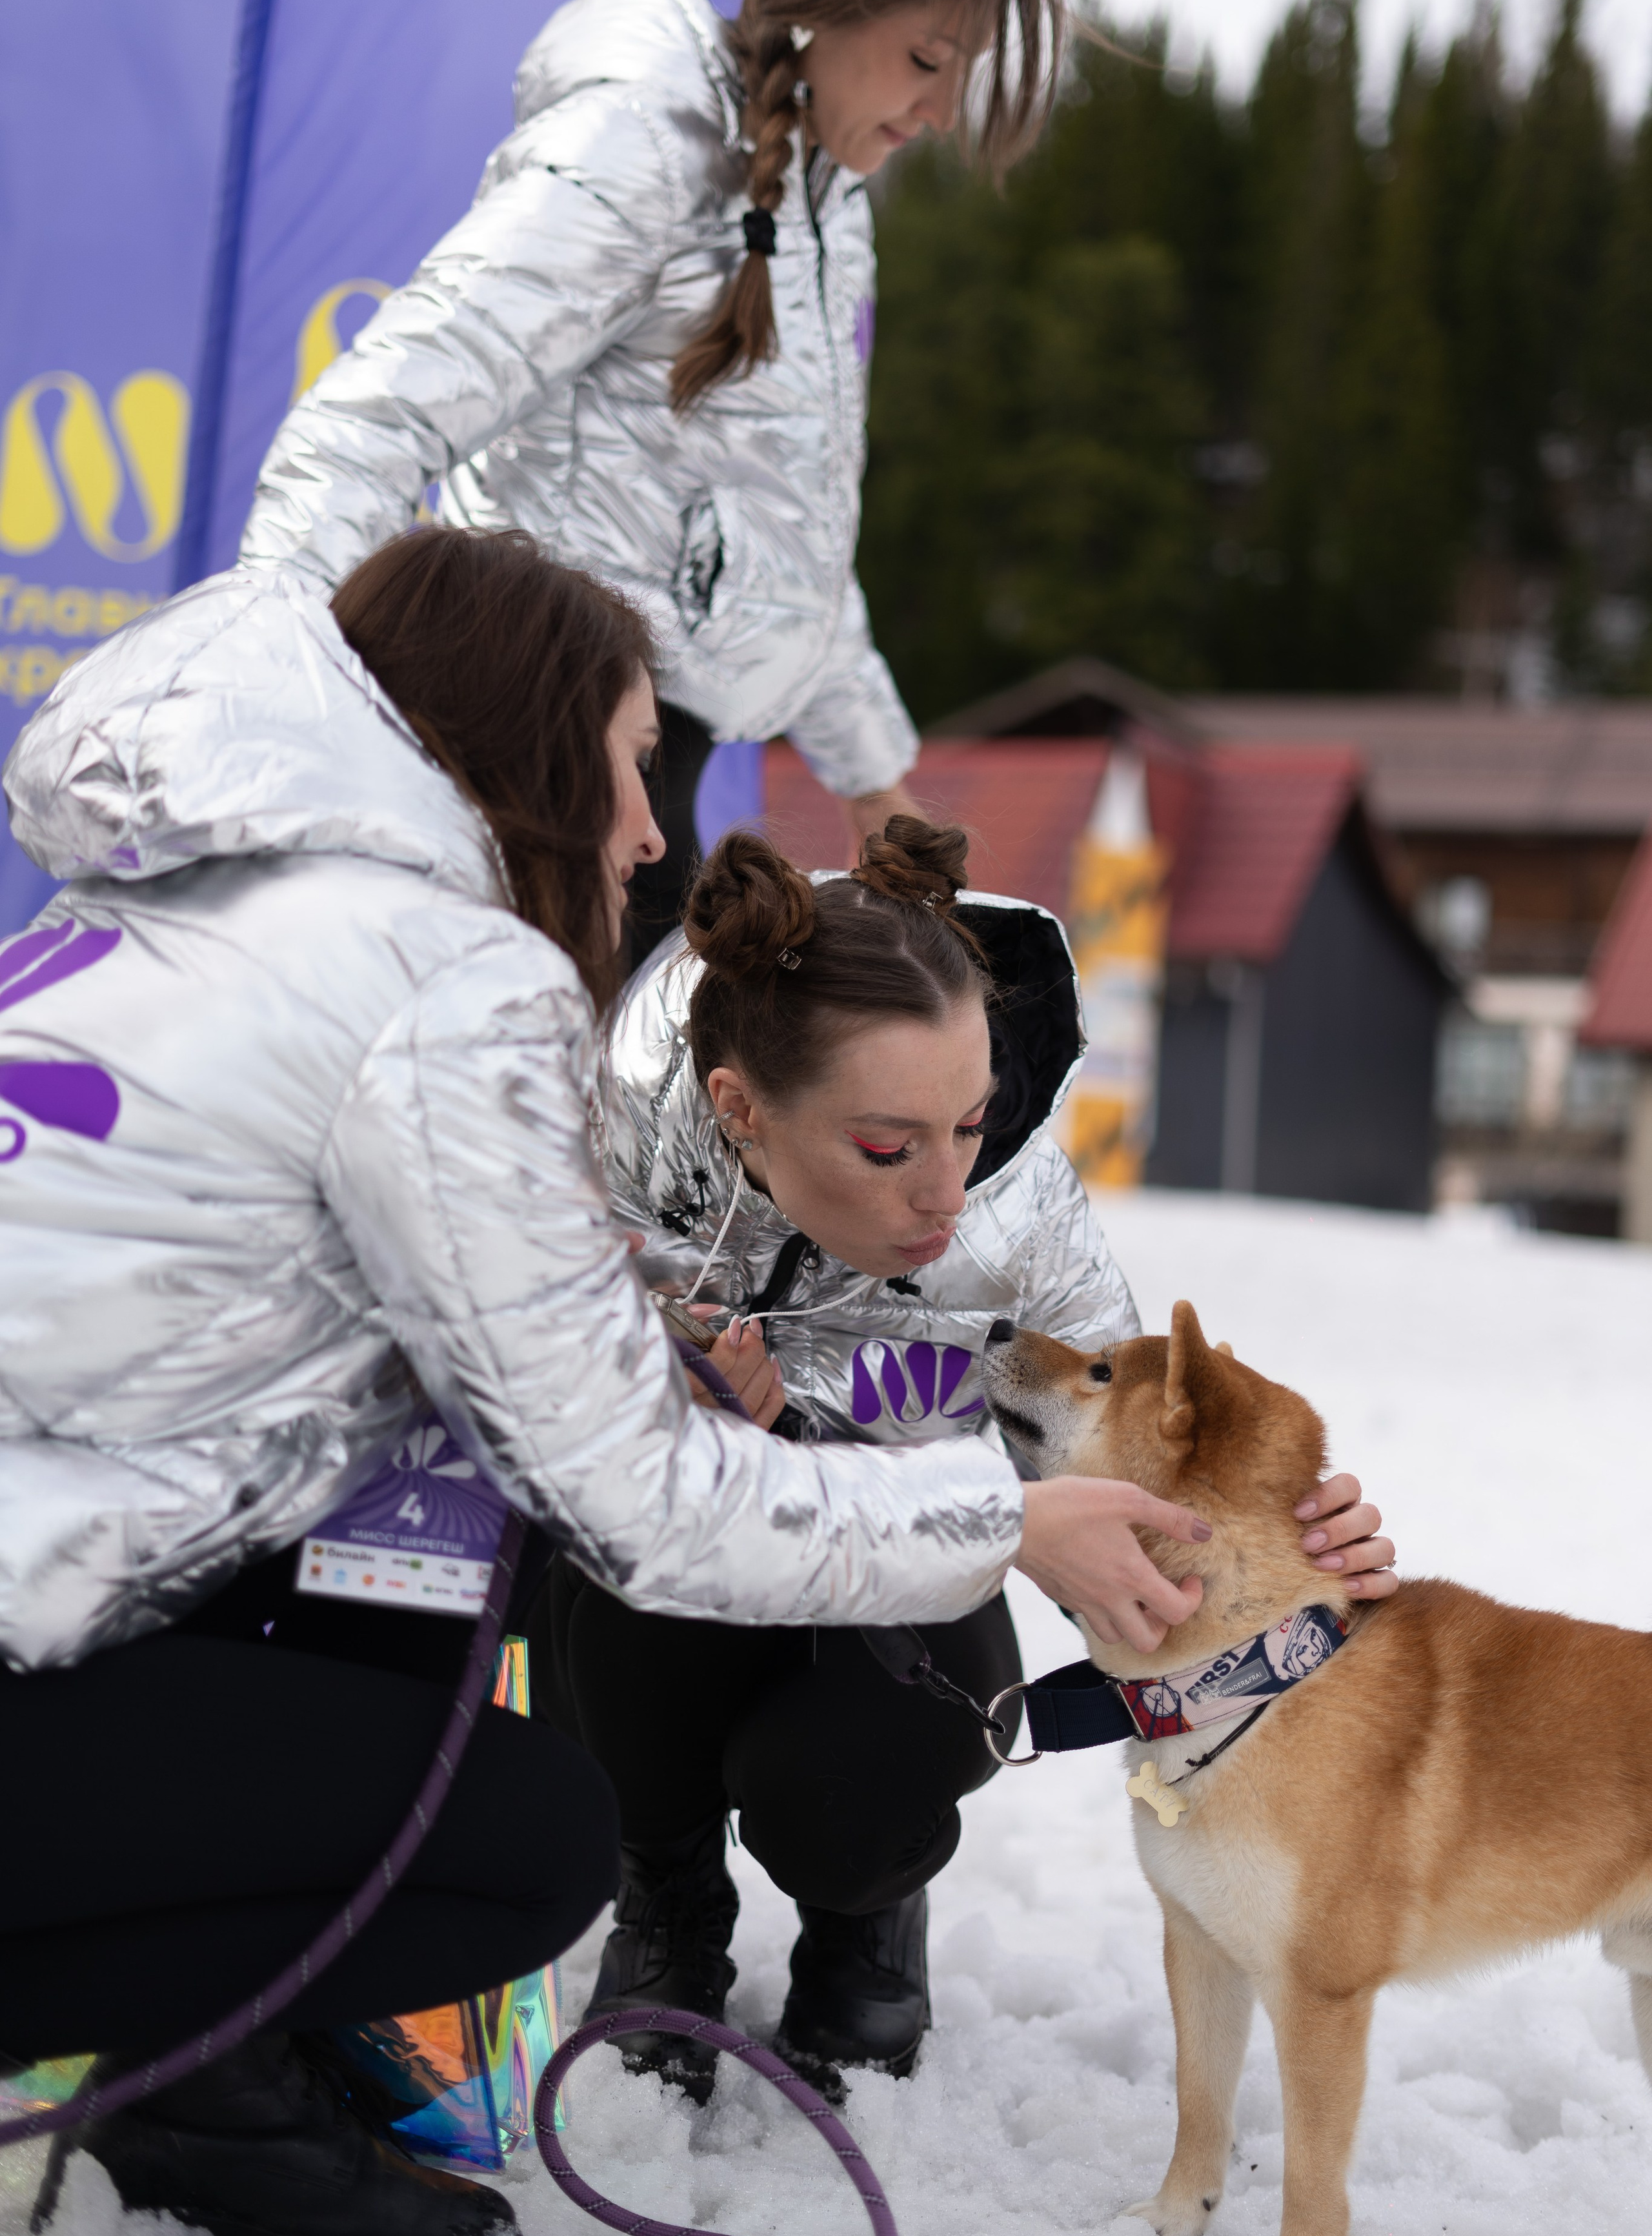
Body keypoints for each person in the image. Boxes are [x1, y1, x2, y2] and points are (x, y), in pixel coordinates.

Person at [0, 527, 1224, 2236]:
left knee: (448, 1526)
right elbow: (628, 1498)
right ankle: (198, 2070)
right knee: (518, 1836)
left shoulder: (170, 915)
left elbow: (1170, 1425)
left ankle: (225, 2056)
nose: (653, 830)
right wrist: (998, 1516)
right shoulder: (451, 977)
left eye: (970, 1131)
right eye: (635, 762)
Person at [570, 824, 1398, 2095]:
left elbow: (1140, 1477)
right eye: (890, 1149)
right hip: (674, 1584)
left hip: (907, 1591)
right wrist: (674, 1407)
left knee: (870, 1776)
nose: (947, 1190)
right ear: (739, 1109)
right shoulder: (610, 1149)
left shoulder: (1014, 1208)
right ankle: (665, 1897)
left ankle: (867, 1906)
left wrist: (1283, 1563)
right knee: (615, 1591)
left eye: (969, 1121)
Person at [236, 0, 1065, 957]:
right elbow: (369, 420)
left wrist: (875, 782)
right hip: (550, 775)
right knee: (523, 1119)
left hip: (652, 785)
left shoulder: (830, 204)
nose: (943, 111)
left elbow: (786, 536)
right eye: (929, 59)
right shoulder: (643, 144)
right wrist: (274, 710)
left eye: (963, 75)